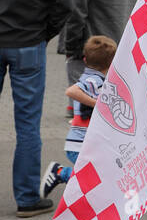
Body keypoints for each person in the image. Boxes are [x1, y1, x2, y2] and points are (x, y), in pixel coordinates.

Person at [0, 0, 71, 217]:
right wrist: (43, 34)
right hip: (28, 43)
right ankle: (27, 197)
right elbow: (62, 3)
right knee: (28, 124)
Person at [41, 35, 116, 198]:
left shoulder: (94, 78)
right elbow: (72, 91)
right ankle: (60, 173)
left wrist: (77, 117)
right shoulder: (94, 80)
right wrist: (98, 104)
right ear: (112, 64)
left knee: (102, 174)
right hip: (81, 145)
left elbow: (82, 107)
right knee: (97, 175)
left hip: (87, 143)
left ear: (84, 59)